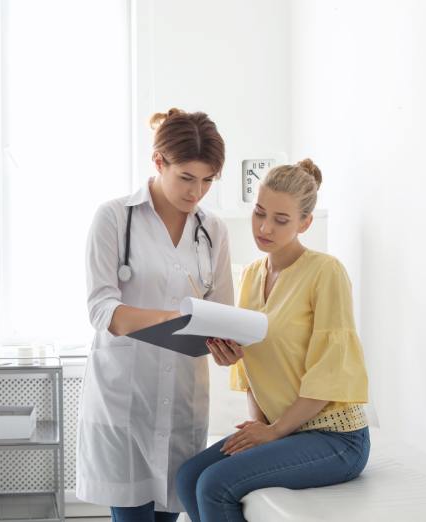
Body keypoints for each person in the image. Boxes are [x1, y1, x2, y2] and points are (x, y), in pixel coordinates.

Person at [175, 159, 370, 522]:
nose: (265, 227)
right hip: (284, 430)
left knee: (214, 485)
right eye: (259, 213)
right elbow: (253, 362)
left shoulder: (326, 272)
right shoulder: (250, 276)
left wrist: (274, 432)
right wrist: (230, 359)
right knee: (188, 477)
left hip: (335, 438)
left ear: (305, 223)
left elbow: (330, 372)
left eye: (281, 220)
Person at [76, 108, 241, 522]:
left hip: (183, 398)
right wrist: (173, 320)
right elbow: (101, 308)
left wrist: (228, 346)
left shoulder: (213, 230)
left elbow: (221, 311)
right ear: (159, 162)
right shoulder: (114, 217)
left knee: (171, 512)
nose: (196, 192)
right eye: (186, 177)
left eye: (207, 180)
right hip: (126, 397)